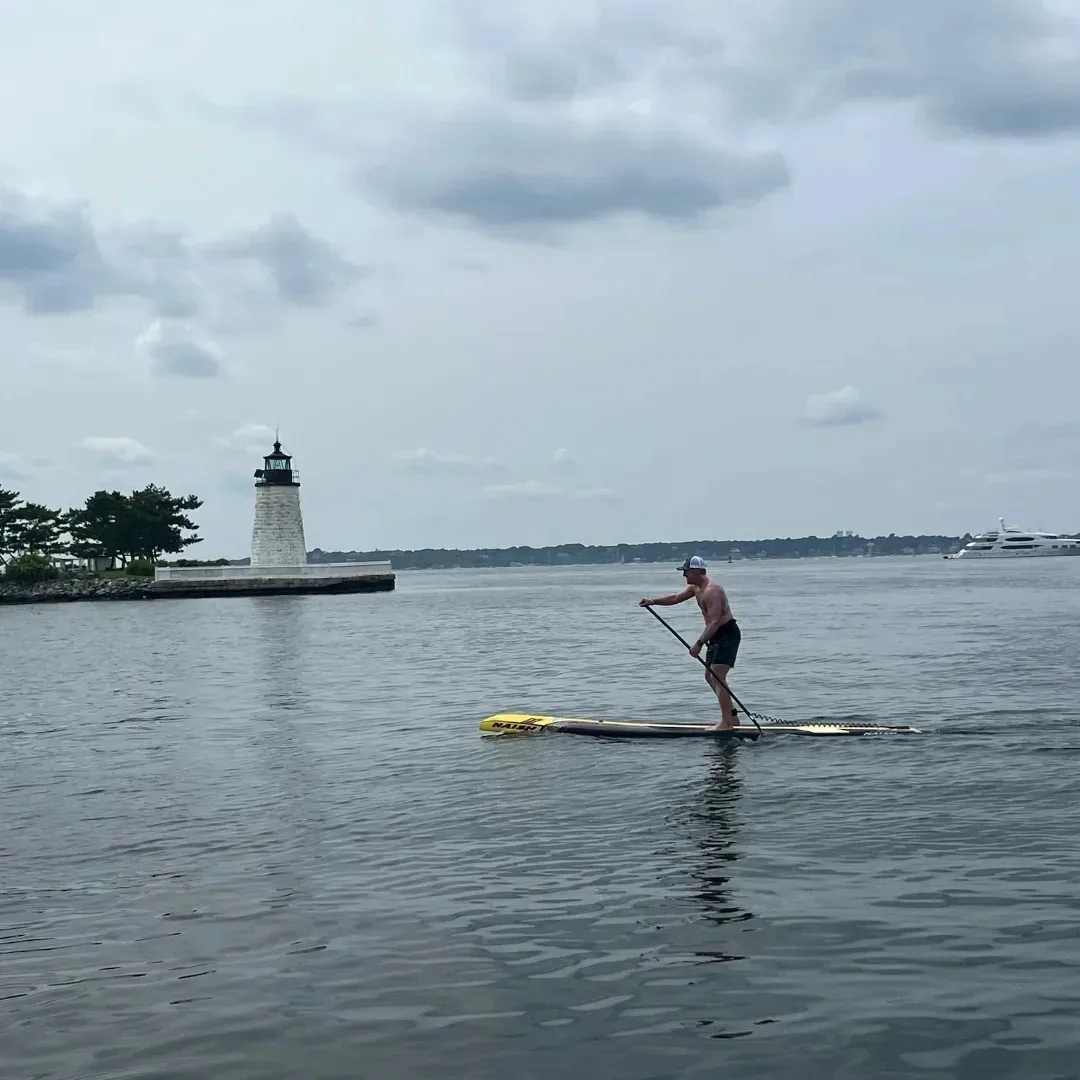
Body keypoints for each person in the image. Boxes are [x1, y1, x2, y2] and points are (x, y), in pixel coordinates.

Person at [638, 555, 741, 730]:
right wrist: (654, 602)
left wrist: (699, 644)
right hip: (714, 636)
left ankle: (726, 723)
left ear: (696, 571)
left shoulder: (712, 590)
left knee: (718, 676)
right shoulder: (695, 587)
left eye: (686, 572)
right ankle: (731, 717)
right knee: (710, 677)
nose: (684, 575)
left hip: (726, 634)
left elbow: (715, 622)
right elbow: (675, 598)